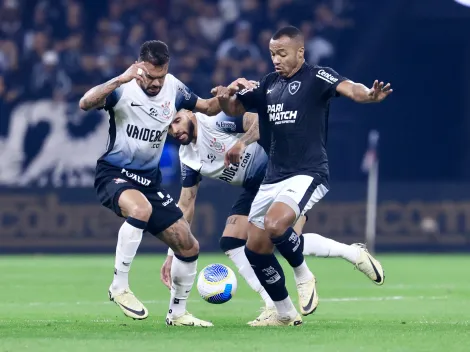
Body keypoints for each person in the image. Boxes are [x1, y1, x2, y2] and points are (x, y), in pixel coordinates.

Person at [211, 26, 391, 326]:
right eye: (272, 54)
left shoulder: (317, 77)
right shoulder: (268, 84)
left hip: (308, 172)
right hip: (273, 176)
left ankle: (303, 275)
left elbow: (351, 88)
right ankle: (284, 314)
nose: (276, 60)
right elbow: (233, 107)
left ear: (300, 52)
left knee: (276, 225)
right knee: (256, 250)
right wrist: (225, 96)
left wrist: (368, 95)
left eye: (282, 53)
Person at [160, 109, 387, 326]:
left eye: (177, 120)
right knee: (233, 241)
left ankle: (352, 254)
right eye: (168, 127)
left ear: (189, 113)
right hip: (254, 186)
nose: (174, 129)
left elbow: (258, 122)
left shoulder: (215, 120)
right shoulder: (188, 157)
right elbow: (186, 204)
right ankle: (273, 304)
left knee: (281, 239)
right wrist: (174, 251)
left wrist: (242, 143)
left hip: (278, 171)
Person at [79, 40, 221, 327]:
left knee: (188, 245)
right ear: (139, 65)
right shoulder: (123, 87)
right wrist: (120, 77)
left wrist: (230, 93)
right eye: (151, 76)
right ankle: (119, 285)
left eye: (162, 75)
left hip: (149, 182)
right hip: (114, 173)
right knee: (140, 210)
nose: (156, 83)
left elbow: (207, 107)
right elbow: (85, 102)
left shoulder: (174, 87)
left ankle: (178, 314)